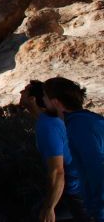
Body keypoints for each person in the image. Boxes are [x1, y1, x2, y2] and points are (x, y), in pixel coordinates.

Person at [19, 80, 91, 222]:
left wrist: (49, 208)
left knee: (40, 214)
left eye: (25, 91)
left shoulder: (47, 126)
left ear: (33, 99)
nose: (21, 93)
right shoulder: (60, 118)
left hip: (81, 193)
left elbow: (58, 172)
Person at [45, 77, 104, 222]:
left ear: (56, 102)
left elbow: (96, 169)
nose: (42, 102)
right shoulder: (88, 120)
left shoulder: (79, 126)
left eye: (44, 97)